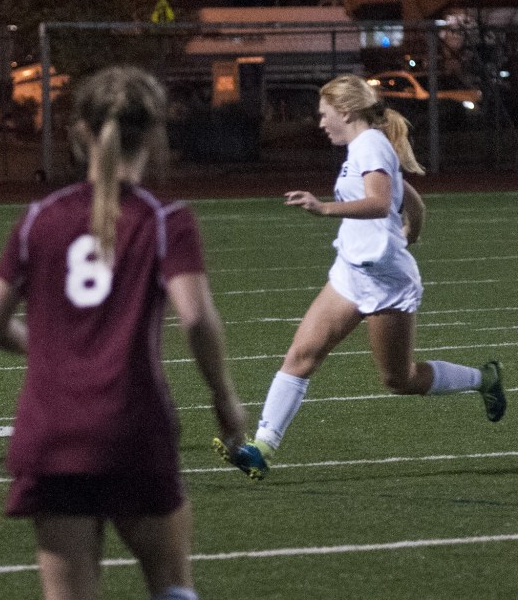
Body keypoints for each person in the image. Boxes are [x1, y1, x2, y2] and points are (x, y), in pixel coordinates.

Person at [0, 65, 248, 600]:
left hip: (51, 430)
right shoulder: (165, 218)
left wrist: (52, 352)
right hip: (131, 426)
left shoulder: (39, 218)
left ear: (79, 131)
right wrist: (225, 401)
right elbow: (196, 318)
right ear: (154, 134)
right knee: (172, 586)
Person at [214, 73, 505, 481]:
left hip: (386, 282)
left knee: (399, 379)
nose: (320, 123)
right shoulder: (364, 147)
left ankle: (482, 378)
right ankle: (261, 448)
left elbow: (380, 202)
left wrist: (324, 209)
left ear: (345, 111)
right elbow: (411, 201)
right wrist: (412, 232)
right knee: (300, 356)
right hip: (351, 272)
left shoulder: (369, 144)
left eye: (324, 114)